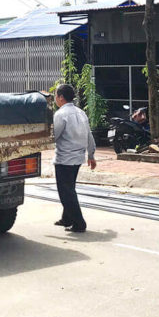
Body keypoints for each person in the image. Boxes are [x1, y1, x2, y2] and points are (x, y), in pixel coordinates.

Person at [53, 84, 97, 232]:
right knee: (70, 188)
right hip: (78, 158)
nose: (55, 99)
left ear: (61, 97)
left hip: (64, 158)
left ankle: (79, 223)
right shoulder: (81, 113)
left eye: (56, 96)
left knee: (66, 192)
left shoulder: (60, 115)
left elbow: (54, 136)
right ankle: (67, 218)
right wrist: (91, 154)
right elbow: (89, 135)